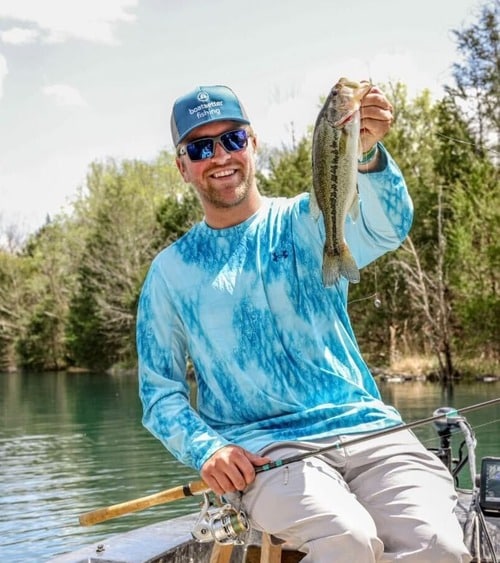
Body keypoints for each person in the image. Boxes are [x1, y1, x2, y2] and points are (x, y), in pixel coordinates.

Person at [136, 83, 471, 562]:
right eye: (200, 147)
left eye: (231, 139)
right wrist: (207, 449)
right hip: (266, 453)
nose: (219, 156)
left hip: (371, 431)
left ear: (252, 143)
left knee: (438, 546)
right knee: (346, 538)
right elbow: (159, 392)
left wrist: (369, 154)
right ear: (183, 167)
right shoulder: (170, 271)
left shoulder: (310, 220)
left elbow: (388, 226)